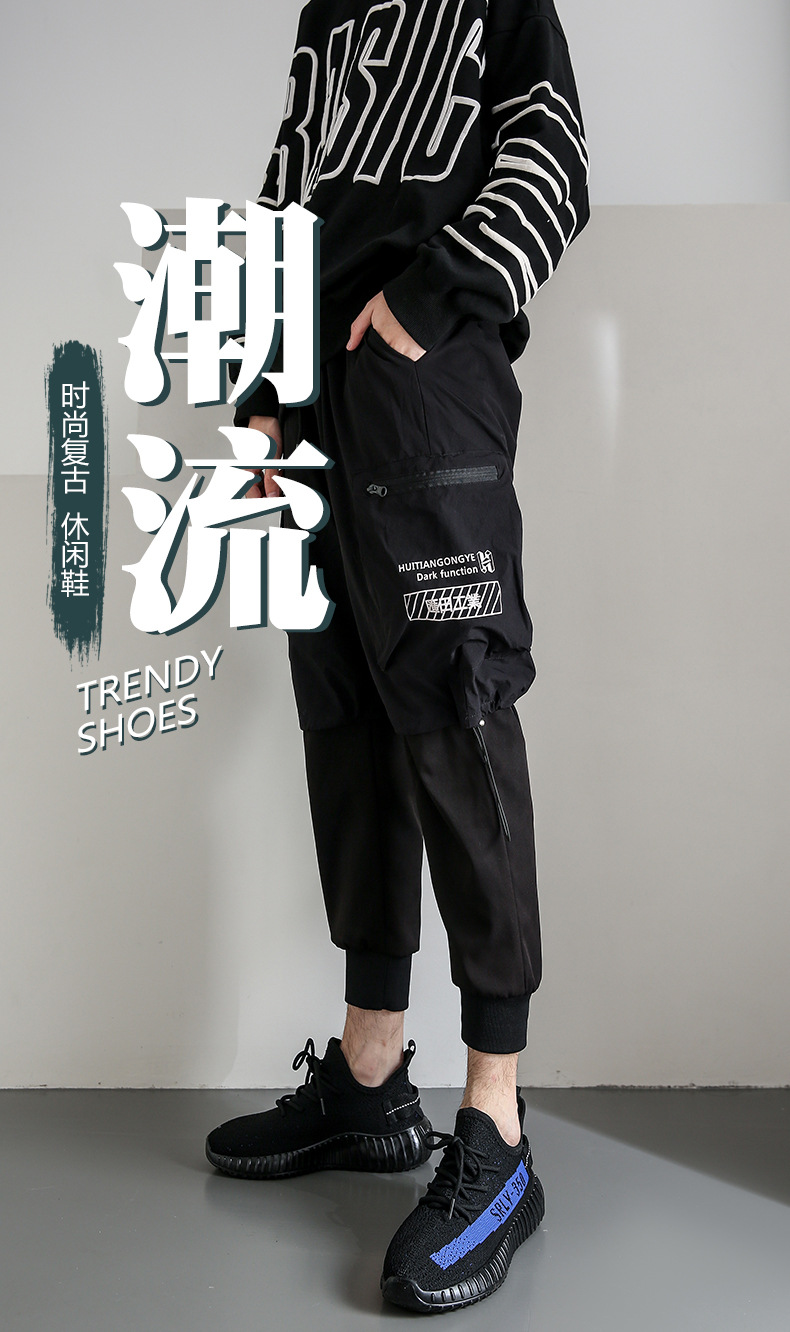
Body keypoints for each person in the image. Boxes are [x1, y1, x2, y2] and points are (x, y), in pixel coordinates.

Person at [206, 0, 589, 1312]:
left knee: (454, 707)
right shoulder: (327, 11)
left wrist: (431, 297)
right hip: (314, 399)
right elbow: (287, 190)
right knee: (347, 716)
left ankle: (498, 1124)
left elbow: (551, 153)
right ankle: (371, 1079)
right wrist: (264, 391)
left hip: (426, 388)